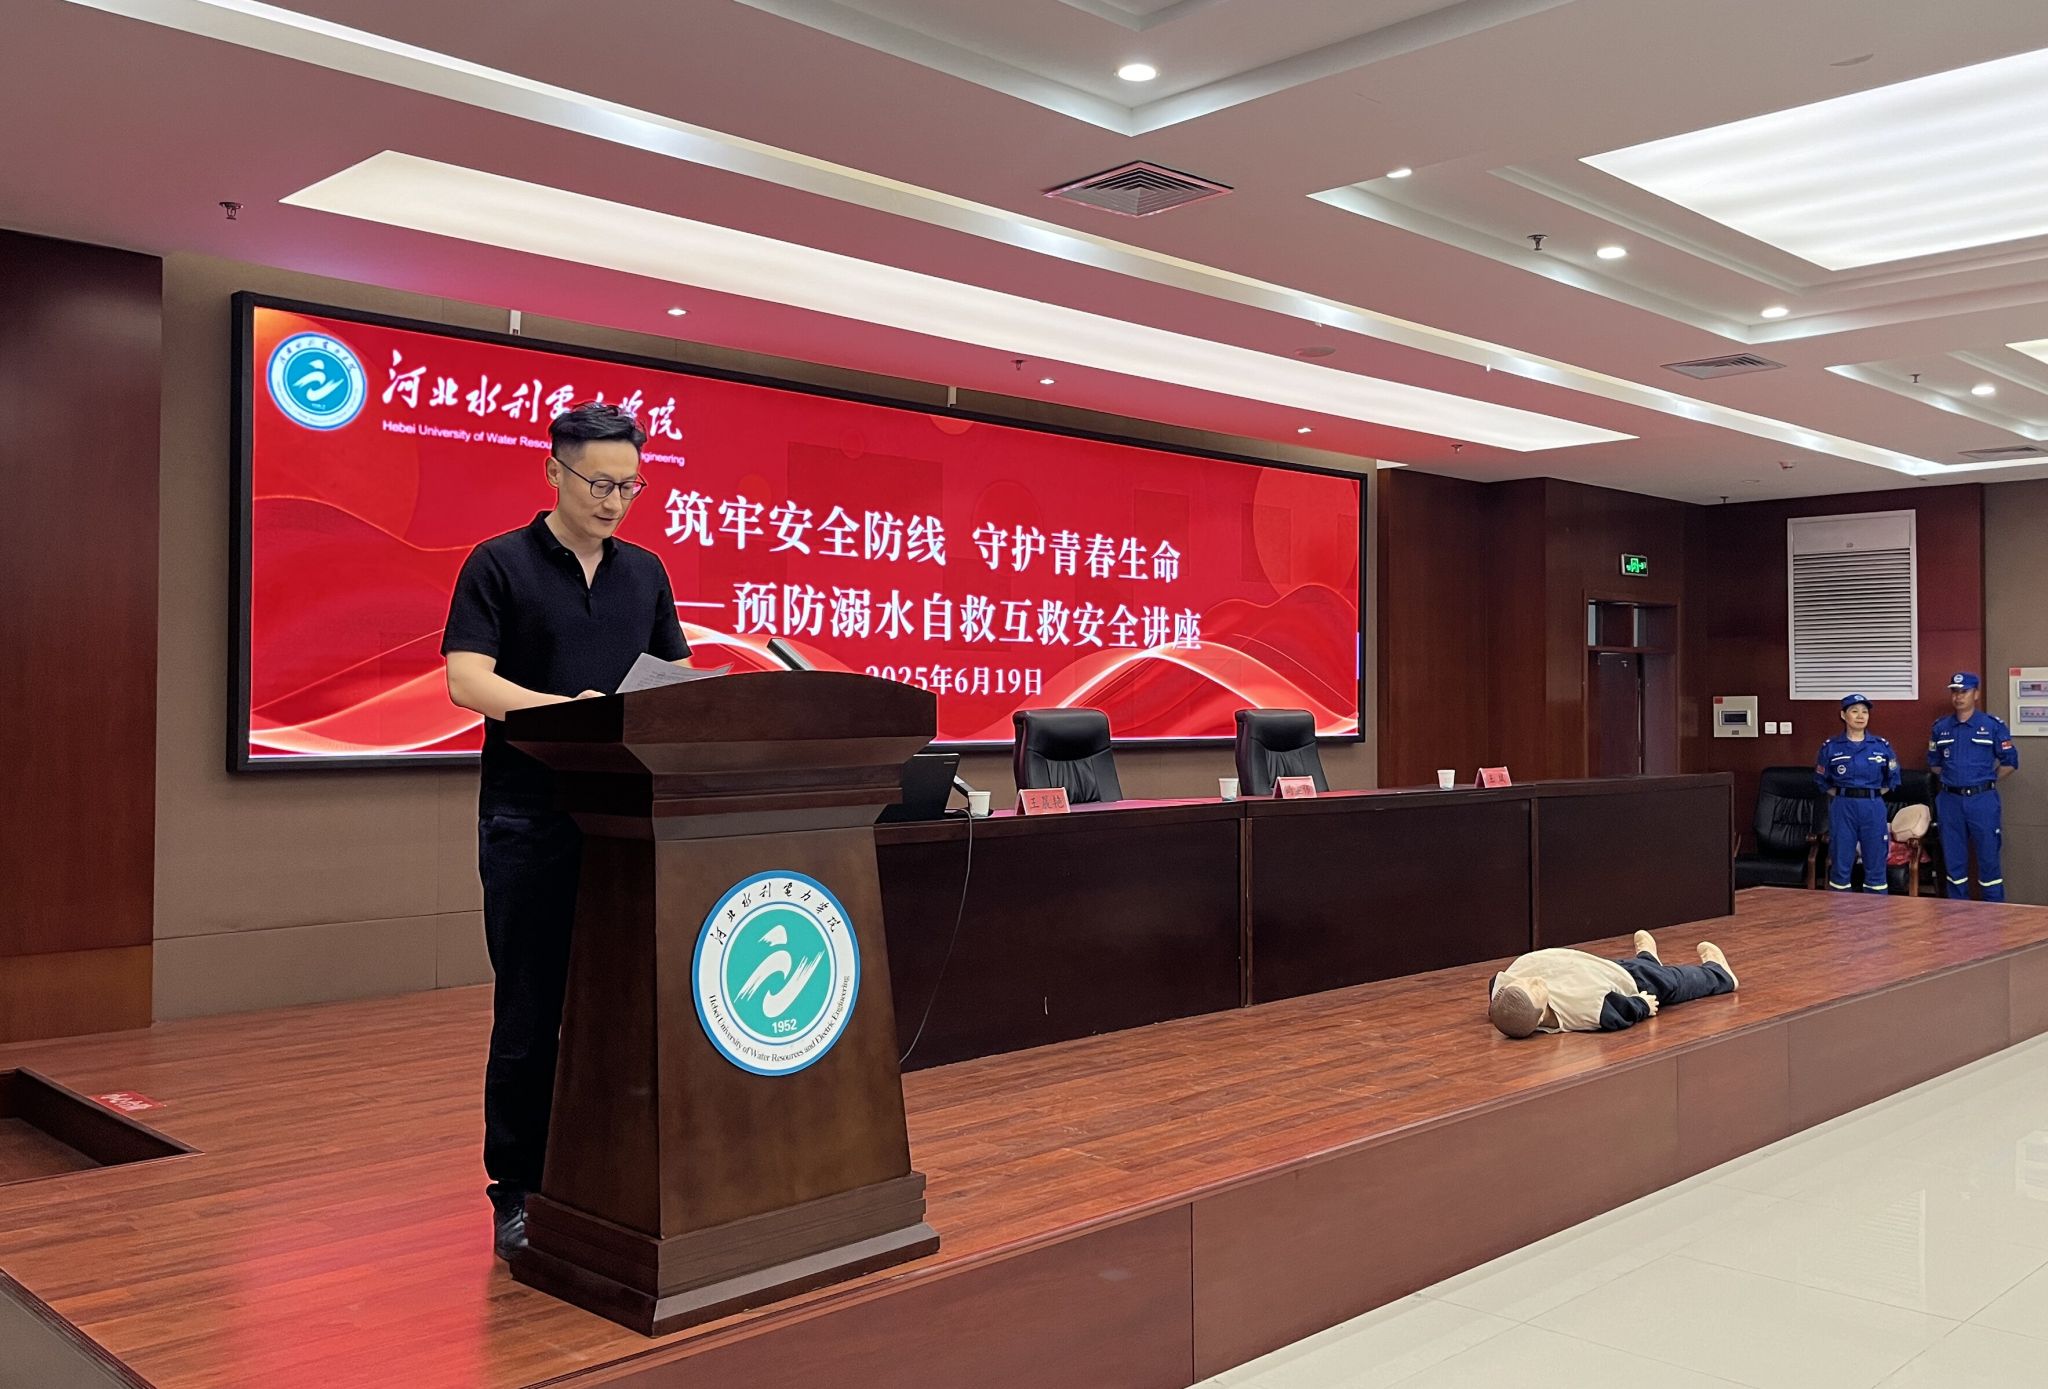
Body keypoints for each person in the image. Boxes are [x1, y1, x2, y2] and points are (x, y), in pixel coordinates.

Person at [441, 402, 690, 1260]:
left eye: (629, 485)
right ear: (554, 471)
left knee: (623, 1003)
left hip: (627, 822)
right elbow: (468, 680)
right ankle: (515, 1189)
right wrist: (572, 715)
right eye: (598, 483)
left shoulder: (645, 571)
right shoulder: (499, 563)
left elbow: (676, 673)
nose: (614, 500)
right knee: (530, 1009)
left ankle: (602, 1171)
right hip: (528, 818)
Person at [1488, 932, 1737, 1039]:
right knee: (1672, 981)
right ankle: (1718, 975)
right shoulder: (1582, 1009)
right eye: (1535, 989)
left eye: (1524, 981)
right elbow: (1617, 1014)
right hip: (1629, 985)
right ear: (1541, 1015)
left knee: (1641, 967)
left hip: (1599, 969)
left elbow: (1497, 988)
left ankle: (1648, 960)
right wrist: (1641, 1004)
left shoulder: (1506, 990)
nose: (1535, 979)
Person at [1928, 672, 2019, 901]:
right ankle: (1957, 913)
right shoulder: (1941, 727)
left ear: (1976, 694)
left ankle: (1994, 912)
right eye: (1955, 692)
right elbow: (1935, 764)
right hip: (1950, 801)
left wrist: (1985, 780)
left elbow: (2010, 762)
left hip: (1982, 800)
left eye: (1964, 691)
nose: (1959, 697)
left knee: (1989, 861)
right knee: (1953, 862)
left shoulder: (1991, 725)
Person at [1814, 693, 1902, 893]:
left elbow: (1892, 779)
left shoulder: (1881, 746)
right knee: (1840, 865)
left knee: (1876, 865)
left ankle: (1876, 910)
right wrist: (1845, 793)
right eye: (1854, 711)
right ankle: (1840, 911)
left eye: (1864, 712)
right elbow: (1821, 780)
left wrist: (1869, 794)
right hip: (1843, 806)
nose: (1860, 716)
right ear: (1843, 715)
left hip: (1873, 806)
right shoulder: (1831, 747)